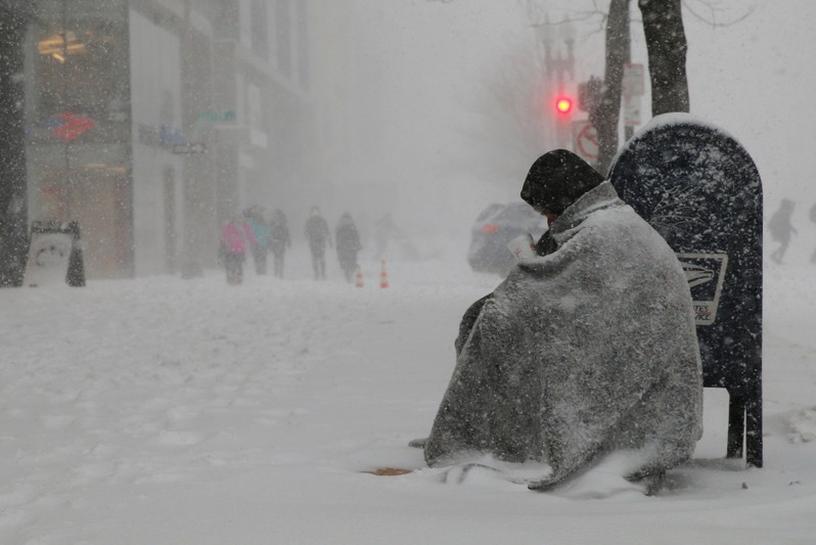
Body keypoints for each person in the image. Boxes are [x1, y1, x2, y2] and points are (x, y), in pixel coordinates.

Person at [423, 149, 703, 490]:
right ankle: (495, 436)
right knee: (484, 318)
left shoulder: (603, 234)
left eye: (550, 211)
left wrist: (525, 278)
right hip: (644, 369)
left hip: (646, 399)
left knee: (495, 323)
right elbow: (572, 295)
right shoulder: (610, 222)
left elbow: (547, 299)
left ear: (565, 200)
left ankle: (492, 440)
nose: (549, 222)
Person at [219, 214, 256, 285]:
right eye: (237, 219)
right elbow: (224, 236)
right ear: (234, 219)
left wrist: (254, 242)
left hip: (238, 249)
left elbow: (250, 235)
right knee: (233, 264)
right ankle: (233, 277)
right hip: (232, 249)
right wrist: (226, 243)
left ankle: (237, 278)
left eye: (240, 219)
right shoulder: (230, 227)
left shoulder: (243, 226)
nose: (239, 220)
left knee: (238, 264)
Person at [304, 206, 331, 280]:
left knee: (314, 258)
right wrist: (329, 240)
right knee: (322, 257)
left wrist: (307, 237)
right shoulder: (322, 220)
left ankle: (316, 274)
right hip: (321, 241)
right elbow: (327, 231)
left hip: (313, 242)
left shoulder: (309, 221)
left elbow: (306, 232)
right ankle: (323, 273)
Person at [335, 213, 362, 282]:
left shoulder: (340, 227)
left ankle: (348, 272)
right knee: (351, 261)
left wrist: (338, 245)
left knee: (345, 261)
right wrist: (358, 244)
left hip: (345, 247)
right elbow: (356, 236)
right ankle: (351, 270)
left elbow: (337, 237)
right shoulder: (352, 226)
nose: (346, 221)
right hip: (351, 246)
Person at [768, 199, 797, 264]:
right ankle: (776, 257)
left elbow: (786, 223)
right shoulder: (784, 213)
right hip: (782, 232)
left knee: (784, 245)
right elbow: (786, 223)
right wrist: (793, 229)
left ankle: (776, 257)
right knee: (784, 245)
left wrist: (793, 229)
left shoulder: (781, 212)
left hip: (780, 231)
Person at [245, 206, 270, 275]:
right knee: (259, 258)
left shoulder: (261, 222)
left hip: (259, 243)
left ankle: (261, 272)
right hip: (257, 243)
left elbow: (267, 232)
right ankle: (260, 271)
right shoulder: (253, 221)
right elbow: (249, 231)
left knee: (260, 258)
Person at [268, 208, 291, 278]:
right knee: (279, 257)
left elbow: (286, 232)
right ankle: (279, 272)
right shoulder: (278, 222)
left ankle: (279, 272)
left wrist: (288, 241)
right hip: (278, 241)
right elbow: (286, 233)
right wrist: (288, 241)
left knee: (279, 257)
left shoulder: (277, 222)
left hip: (279, 241)